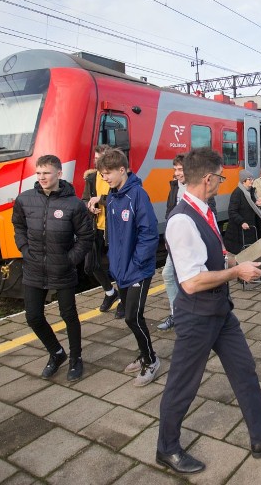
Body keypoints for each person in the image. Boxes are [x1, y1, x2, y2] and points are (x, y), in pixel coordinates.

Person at [157, 147, 261, 474]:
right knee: (183, 384)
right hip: (196, 316)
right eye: (221, 177)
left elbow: (212, 257)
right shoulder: (181, 220)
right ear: (207, 179)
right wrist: (236, 273)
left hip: (219, 310)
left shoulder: (203, 210)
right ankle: (166, 448)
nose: (223, 182)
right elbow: (191, 282)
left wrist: (237, 260)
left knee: (244, 368)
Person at [12, 154, 93, 382]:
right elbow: (18, 225)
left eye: (46, 173)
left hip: (63, 268)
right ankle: (57, 353)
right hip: (33, 268)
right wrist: (24, 249)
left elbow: (86, 237)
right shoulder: (25, 199)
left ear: (59, 174)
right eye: (38, 173)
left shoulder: (74, 204)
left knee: (69, 316)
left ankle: (76, 359)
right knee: (33, 317)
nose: (42, 177)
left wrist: (70, 259)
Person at [98, 148, 162, 386]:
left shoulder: (137, 195)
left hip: (137, 270)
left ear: (122, 170)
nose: (105, 178)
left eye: (108, 173)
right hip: (121, 269)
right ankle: (144, 353)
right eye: (102, 174)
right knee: (131, 316)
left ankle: (151, 360)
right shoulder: (113, 196)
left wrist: (136, 262)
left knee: (132, 317)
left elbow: (149, 233)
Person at [82, 145, 121, 314]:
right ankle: (110, 292)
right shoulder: (91, 178)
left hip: (113, 228)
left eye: (101, 158)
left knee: (118, 266)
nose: (98, 162)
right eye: (96, 159)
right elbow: (85, 198)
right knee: (90, 265)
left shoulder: (118, 178)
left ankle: (125, 301)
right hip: (96, 226)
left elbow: (120, 199)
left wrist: (101, 199)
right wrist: (90, 206)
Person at [158, 154, 187, 331]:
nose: (176, 173)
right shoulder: (174, 187)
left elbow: (209, 213)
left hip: (191, 241)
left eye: (180, 169)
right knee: (168, 275)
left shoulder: (198, 187)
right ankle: (177, 315)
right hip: (176, 240)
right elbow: (169, 212)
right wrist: (167, 236)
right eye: (175, 169)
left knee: (190, 278)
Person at [223, 170, 261, 254]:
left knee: (253, 249)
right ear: (243, 181)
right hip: (241, 228)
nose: (252, 181)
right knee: (245, 250)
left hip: (253, 226)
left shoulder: (251, 191)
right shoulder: (237, 193)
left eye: (252, 179)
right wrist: (241, 222)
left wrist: (258, 204)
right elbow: (232, 211)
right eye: (249, 179)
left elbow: (252, 205)